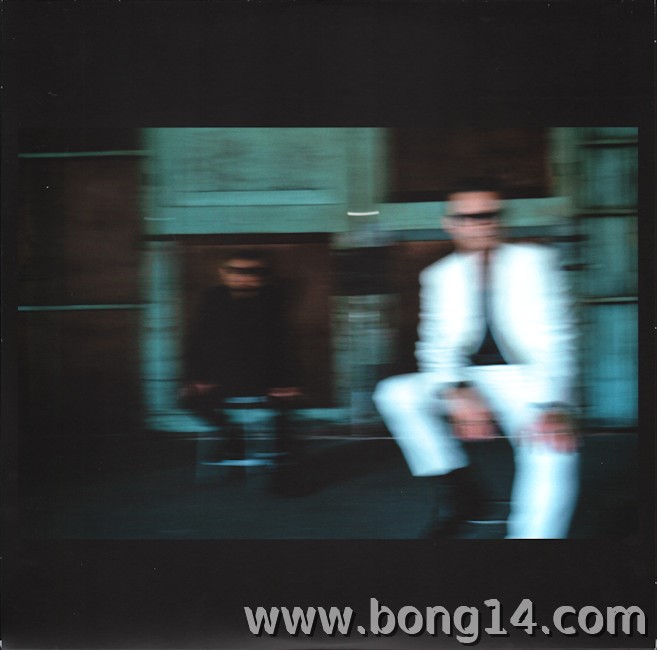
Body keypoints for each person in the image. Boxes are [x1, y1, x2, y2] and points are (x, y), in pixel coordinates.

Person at [373, 178, 580, 539]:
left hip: (527, 380)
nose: (479, 224)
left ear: (501, 219)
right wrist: (456, 390)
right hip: (471, 378)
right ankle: (458, 489)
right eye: (466, 217)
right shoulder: (439, 275)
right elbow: (435, 345)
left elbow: (558, 337)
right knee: (395, 393)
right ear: (449, 223)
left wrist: (554, 405)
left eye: (488, 215)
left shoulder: (536, 262)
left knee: (553, 448)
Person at [181, 249, 301, 466]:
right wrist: (198, 378)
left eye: (253, 272)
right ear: (224, 272)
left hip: (261, 379)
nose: (244, 277)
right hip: (222, 378)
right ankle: (232, 434)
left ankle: (275, 449)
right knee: (187, 398)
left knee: (289, 402)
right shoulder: (213, 299)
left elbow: (280, 345)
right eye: (237, 271)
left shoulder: (271, 301)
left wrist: (285, 382)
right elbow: (199, 341)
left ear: (262, 275)